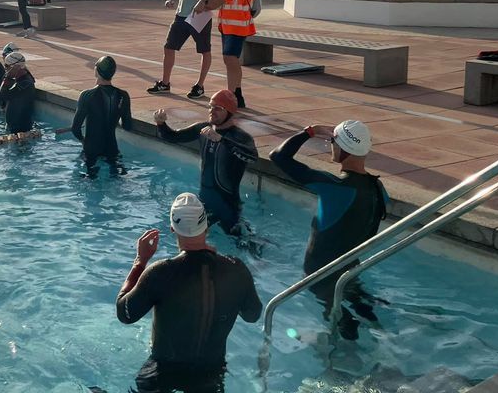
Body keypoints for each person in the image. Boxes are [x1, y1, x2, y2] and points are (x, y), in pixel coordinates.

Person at [115, 193, 262, 393]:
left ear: (173, 229)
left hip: (161, 374)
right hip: (210, 376)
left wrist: (139, 262)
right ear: (206, 227)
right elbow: (252, 315)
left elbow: (125, 313)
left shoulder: (160, 273)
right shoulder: (236, 270)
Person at [269, 120, 388, 340]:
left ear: (344, 148)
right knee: (364, 320)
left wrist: (309, 132)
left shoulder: (335, 187)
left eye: (333, 141)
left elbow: (278, 157)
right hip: (350, 274)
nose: (330, 145)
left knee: (339, 335)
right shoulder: (379, 190)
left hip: (321, 281)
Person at [153, 90, 258, 237]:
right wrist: (161, 123)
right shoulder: (202, 129)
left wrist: (222, 141)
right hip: (204, 203)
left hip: (228, 207)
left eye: (218, 108)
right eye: (210, 106)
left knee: (242, 244)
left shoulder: (240, 137)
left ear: (230, 112)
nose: (211, 111)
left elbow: (252, 157)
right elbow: (172, 137)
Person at [148, 0, 226, 99]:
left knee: (205, 50)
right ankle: (165, 83)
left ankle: (200, 85)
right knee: (169, 47)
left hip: (201, 16)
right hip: (182, 15)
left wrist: (211, 1)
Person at [192, 0, 259, 110]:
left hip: (238, 25)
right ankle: (236, 95)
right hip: (229, 25)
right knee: (229, 59)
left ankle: (233, 95)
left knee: (230, 58)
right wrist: (208, 4)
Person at [71, 56, 132, 176]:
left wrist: (83, 141)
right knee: (116, 179)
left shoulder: (87, 95)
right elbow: (127, 126)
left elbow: (75, 129)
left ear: (96, 71)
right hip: (112, 150)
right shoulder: (123, 95)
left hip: (91, 150)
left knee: (90, 181)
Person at [0, 51, 35, 133]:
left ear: (16, 67)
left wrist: (8, 77)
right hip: (16, 128)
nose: (5, 69)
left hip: (21, 130)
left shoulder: (25, 83)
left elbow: (2, 96)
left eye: (6, 66)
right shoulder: (21, 80)